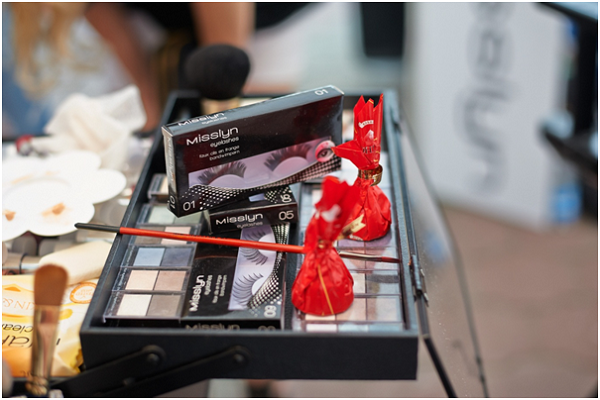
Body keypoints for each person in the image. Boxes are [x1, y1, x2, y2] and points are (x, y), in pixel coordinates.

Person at [4, 2, 255, 135]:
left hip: (253, 28)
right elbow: (101, 10)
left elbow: (226, 62)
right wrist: (149, 107)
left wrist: (221, 129)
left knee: (239, 124)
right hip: (157, 22)